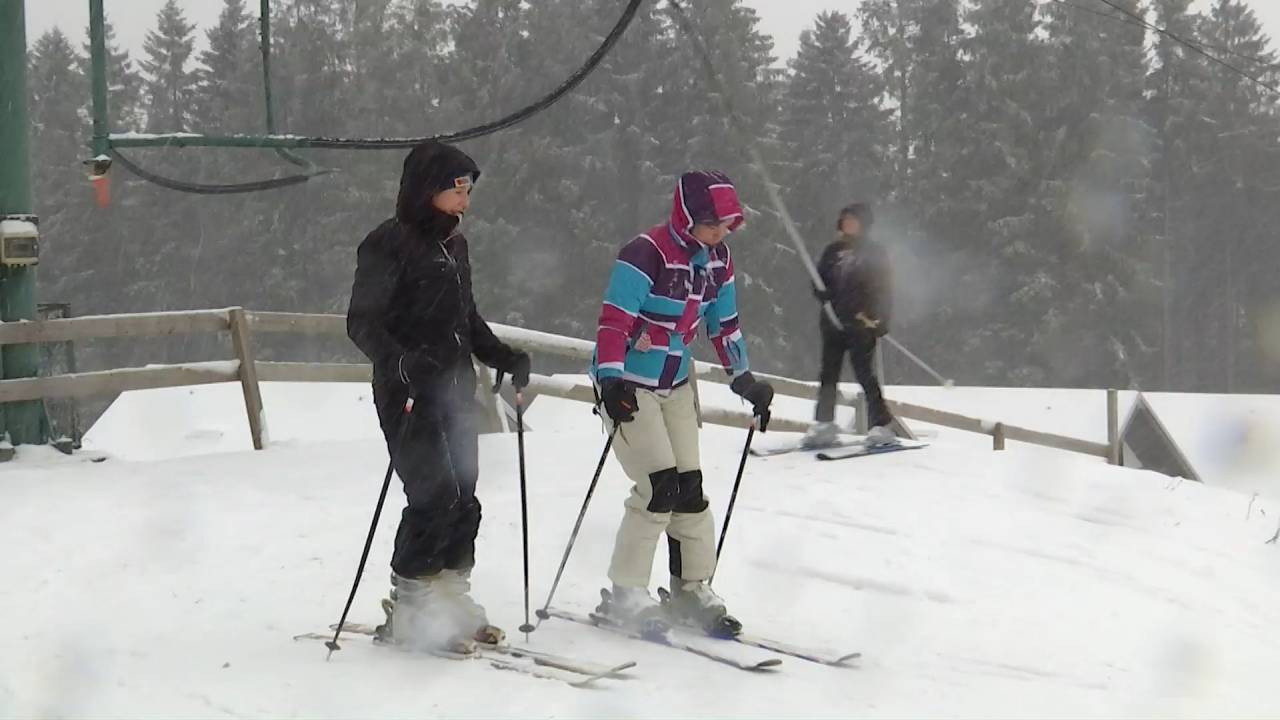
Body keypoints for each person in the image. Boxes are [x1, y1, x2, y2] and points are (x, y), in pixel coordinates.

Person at [346, 139, 531, 652]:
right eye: (457, 191)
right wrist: (403, 362)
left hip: (454, 390)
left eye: (468, 191)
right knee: (432, 497)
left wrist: (503, 355)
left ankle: (450, 594)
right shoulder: (387, 243)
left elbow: (465, 319)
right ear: (428, 190)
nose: (465, 202)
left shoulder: (455, 245)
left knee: (464, 496)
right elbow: (361, 323)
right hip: (407, 393)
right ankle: (413, 603)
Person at [590, 170, 774, 636]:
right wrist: (611, 381)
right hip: (630, 382)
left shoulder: (719, 261)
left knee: (688, 486)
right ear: (687, 215)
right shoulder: (645, 253)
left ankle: (691, 587)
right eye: (712, 223)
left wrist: (744, 378)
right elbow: (614, 323)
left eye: (727, 225)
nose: (720, 233)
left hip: (675, 382)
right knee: (659, 483)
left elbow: (724, 324)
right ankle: (626, 593)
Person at [806, 202, 896, 449]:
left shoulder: (875, 252)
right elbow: (819, 280)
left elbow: (884, 288)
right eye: (845, 220)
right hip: (833, 322)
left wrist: (882, 319)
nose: (848, 224)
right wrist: (821, 293)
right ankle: (824, 423)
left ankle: (881, 424)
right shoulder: (832, 251)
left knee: (864, 373)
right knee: (828, 374)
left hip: (862, 322)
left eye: (853, 220)